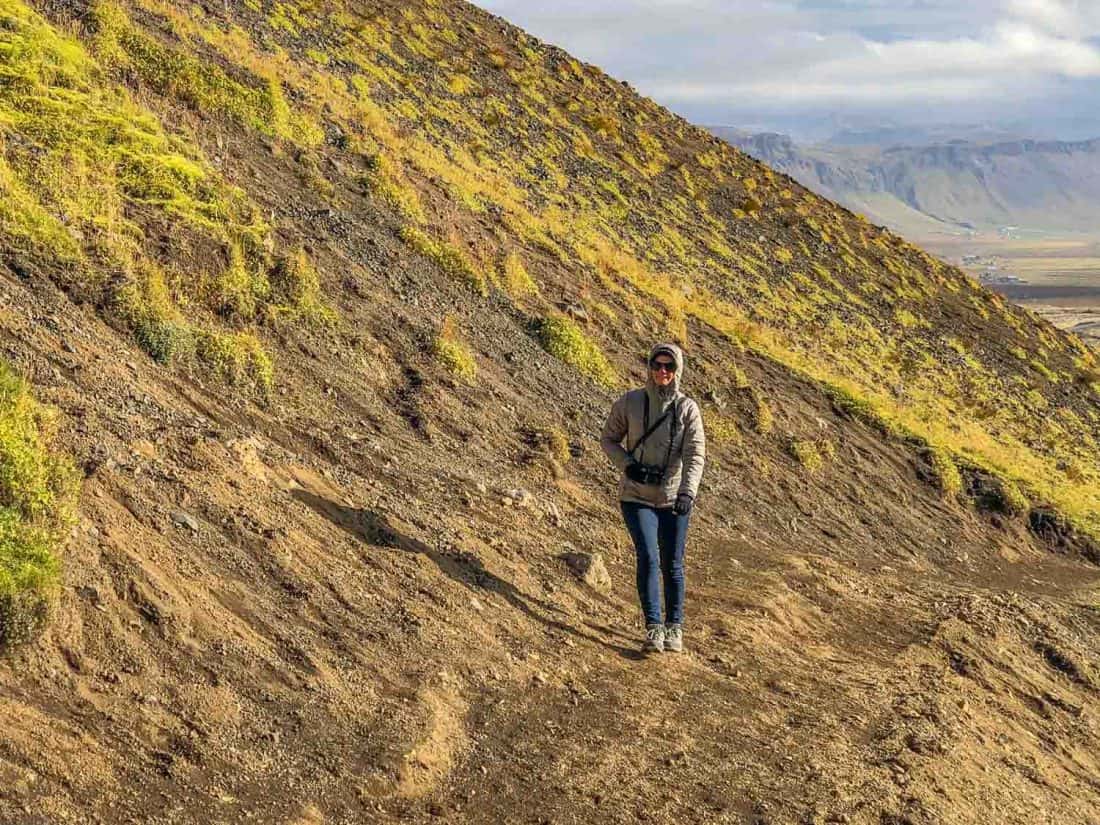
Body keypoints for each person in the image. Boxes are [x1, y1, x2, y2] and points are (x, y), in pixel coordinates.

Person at [600, 343, 706, 654]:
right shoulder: (630, 402)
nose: (662, 371)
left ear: (678, 371)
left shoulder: (688, 409)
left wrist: (687, 491)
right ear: (649, 367)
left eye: (669, 367)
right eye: (657, 365)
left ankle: (675, 627)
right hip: (635, 495)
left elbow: (695, 454)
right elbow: (608, 438)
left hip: (673, 497)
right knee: (648, 557)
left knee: (672, 563)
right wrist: (627, 465)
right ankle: (653, 627)